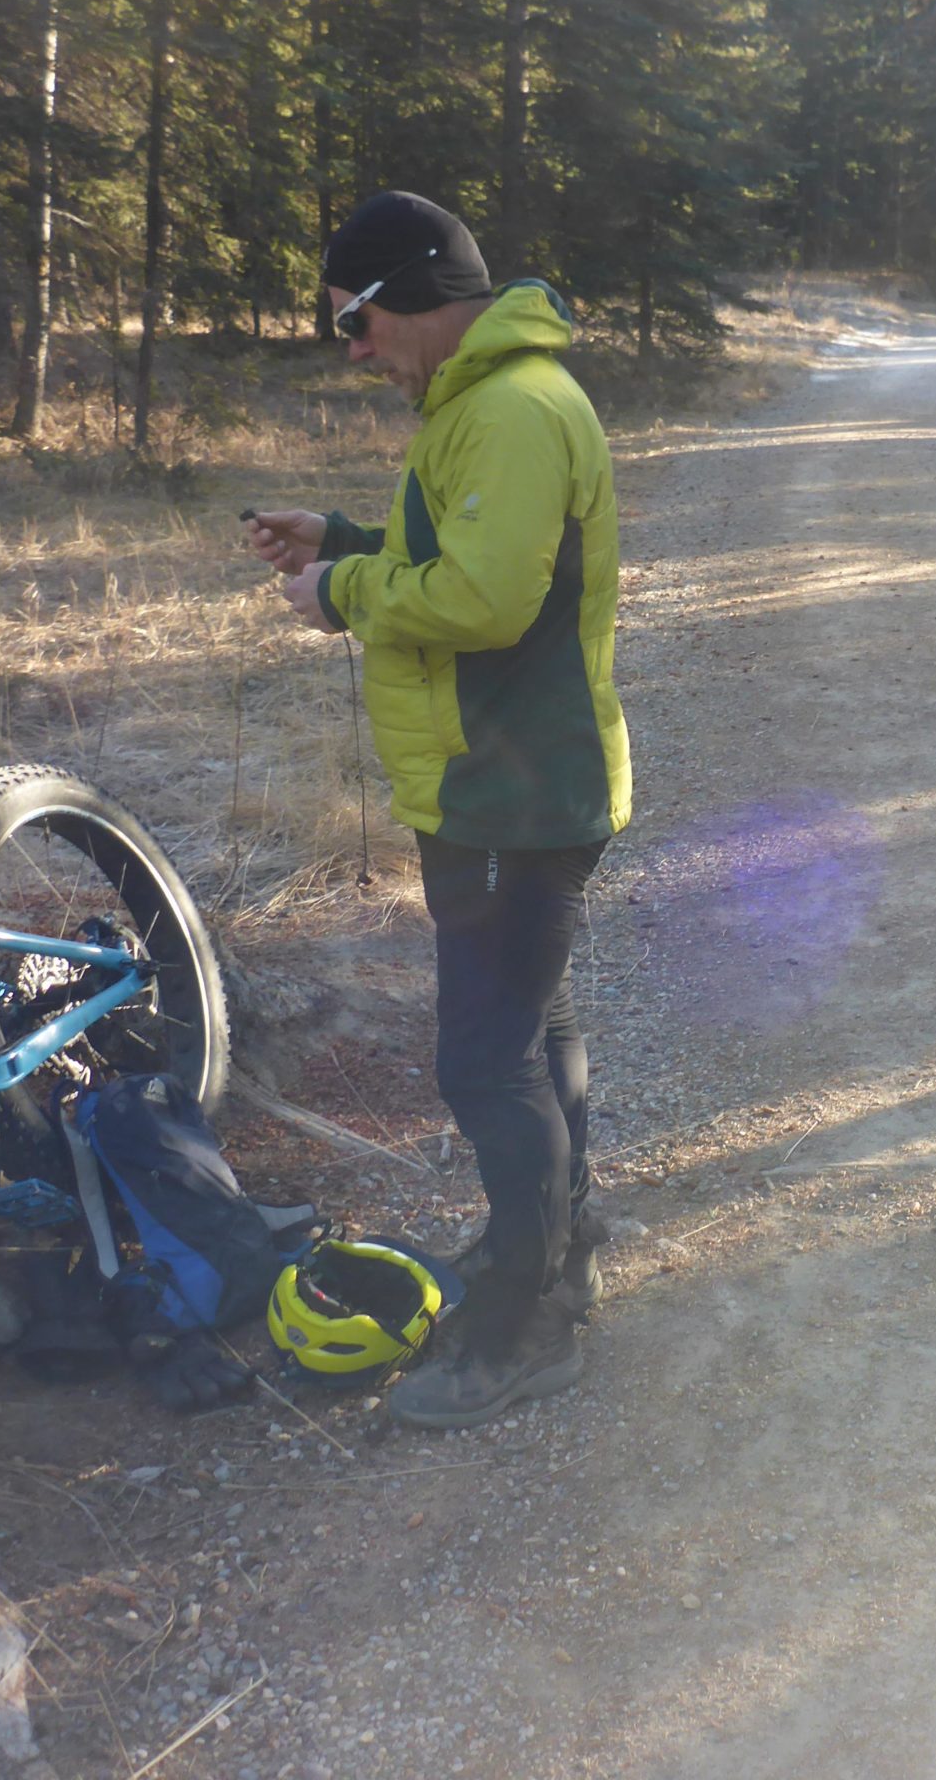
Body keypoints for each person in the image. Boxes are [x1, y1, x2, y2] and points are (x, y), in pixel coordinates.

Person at [246, 190, 630, 1429]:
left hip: (514, 789)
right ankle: (556, 1248)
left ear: (410, 293)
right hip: (499, 782)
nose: (351, 349)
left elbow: (480, 605)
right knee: (532, 1026)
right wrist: (347, 533)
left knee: (484, 1057)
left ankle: (523, 1328)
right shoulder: (479, 403)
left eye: (353, 321)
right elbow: (477, 560)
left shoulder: (511, 409)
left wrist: (340, 586)